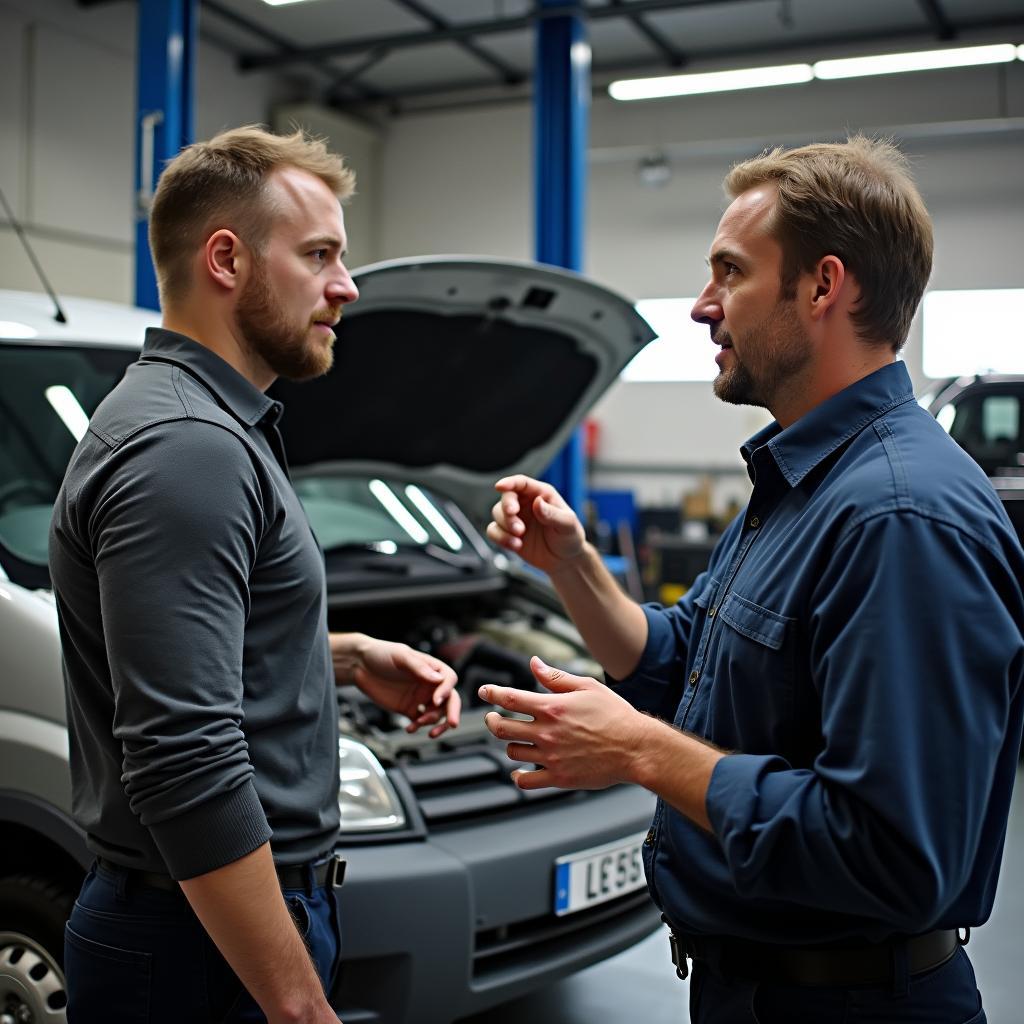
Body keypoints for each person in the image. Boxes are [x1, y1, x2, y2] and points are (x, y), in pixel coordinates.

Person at [482, 136, 1024, 1023]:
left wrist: (637, 751)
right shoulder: (807, 480)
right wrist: (573, 564)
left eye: (729, 272)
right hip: (756, 989)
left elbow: (891, 852)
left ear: (822, 287)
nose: (703, 307)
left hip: (849, 1004)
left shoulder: (897, 516)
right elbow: (682, 657)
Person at [49, 125, 461, 1023]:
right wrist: (299, 1008)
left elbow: (193, 646)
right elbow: (182, 753)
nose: (346, 287)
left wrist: (343, 657)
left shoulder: (203, 422)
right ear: (226, 259)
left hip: (202, 927)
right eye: (319, 255)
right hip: (199, 943)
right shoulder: (189, 449)